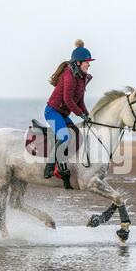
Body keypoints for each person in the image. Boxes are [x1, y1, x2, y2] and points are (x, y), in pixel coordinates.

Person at [43, 39, 94, 188]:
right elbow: (68, 99)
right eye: (87, 62)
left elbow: (80, 101)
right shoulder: (69, 76)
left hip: (63, 114)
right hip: (52, 112)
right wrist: (80, 114)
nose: (89, 64)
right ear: (78, 63)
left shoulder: (82, 78)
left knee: (76, 135)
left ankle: (63, 165)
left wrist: (87, 114)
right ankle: (50, 166)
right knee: (64, 136)